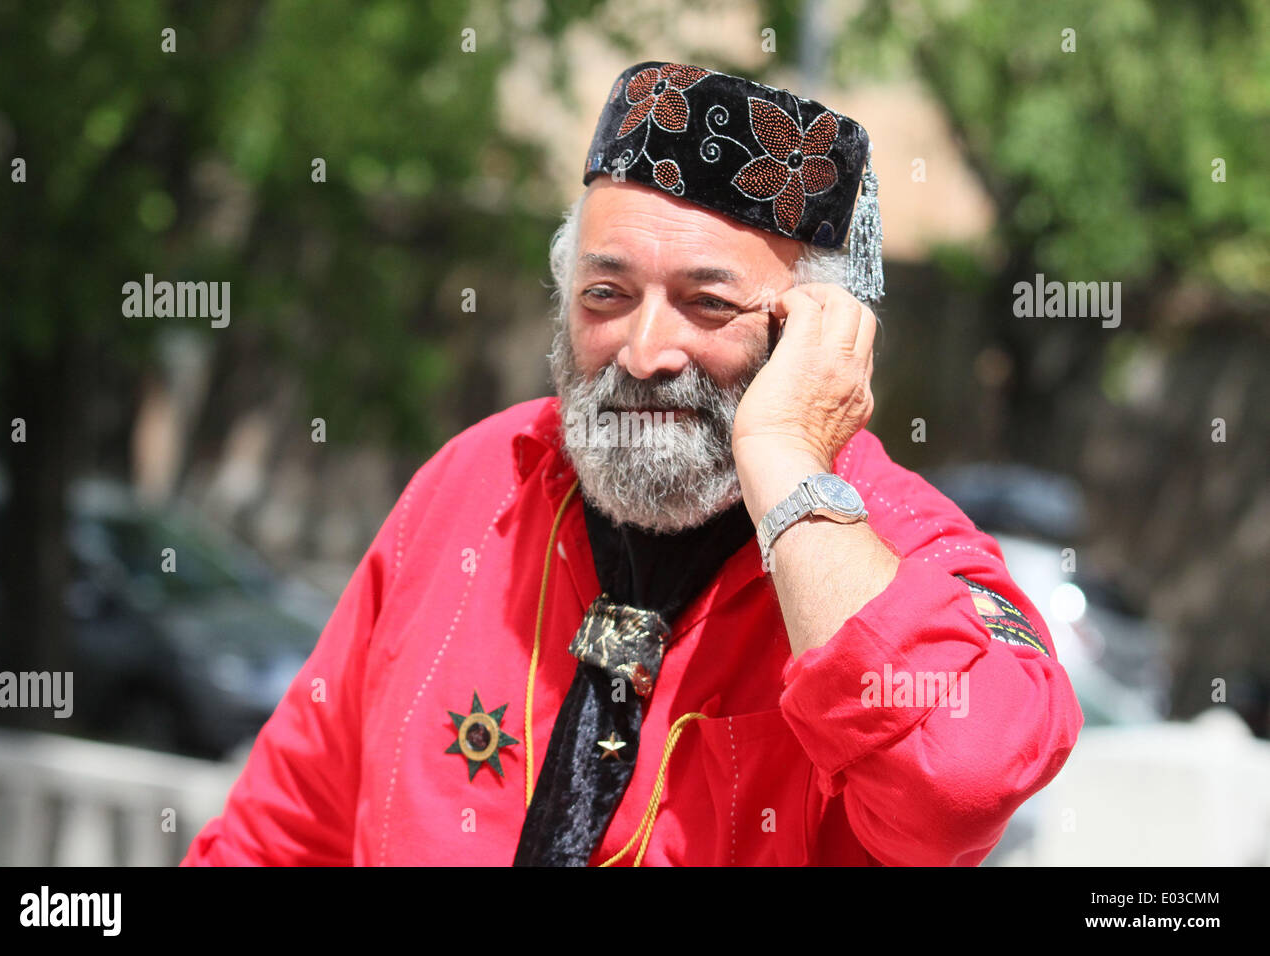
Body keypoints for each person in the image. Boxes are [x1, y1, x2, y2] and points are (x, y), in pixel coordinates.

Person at [181, 60, 1082, 867]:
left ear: (815, 332)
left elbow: (958, 785)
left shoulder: (901, 546)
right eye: (607, 296)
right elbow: (278, 835)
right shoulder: (477, 480)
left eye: (707, 302)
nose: (645, 349)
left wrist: (786, 463)